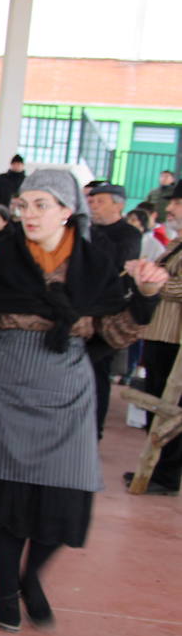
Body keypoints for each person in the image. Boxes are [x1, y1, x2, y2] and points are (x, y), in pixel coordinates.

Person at [0, 170, 164, 632]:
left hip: (69, 386)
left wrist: (146, 298)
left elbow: (113, 332)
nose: (28, 214)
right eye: (23, 204)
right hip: (2, 385)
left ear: (68, 211)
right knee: (4, 493)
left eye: (41, 205)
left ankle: (33, 579)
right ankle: (6, 588)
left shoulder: (96, 264)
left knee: (65, 491)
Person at [129, 183, 182, 494]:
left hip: (175, 338)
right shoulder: (174, 243)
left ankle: (165, 473)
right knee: (154, 399)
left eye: (176, 203)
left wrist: (155, 280)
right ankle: (156, 470)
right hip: (159, 333)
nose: (170, 209)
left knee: (170, 407)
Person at [84, 181, 143, 435]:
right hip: (80, 311)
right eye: (91, 201)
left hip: (107, 319)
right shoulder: (85, 231)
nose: (92, 205)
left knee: (98, 374)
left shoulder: (129, 234)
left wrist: (89, 229)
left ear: (118, 205)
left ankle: (94, 430)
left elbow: (115, 260)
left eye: (99, 201)